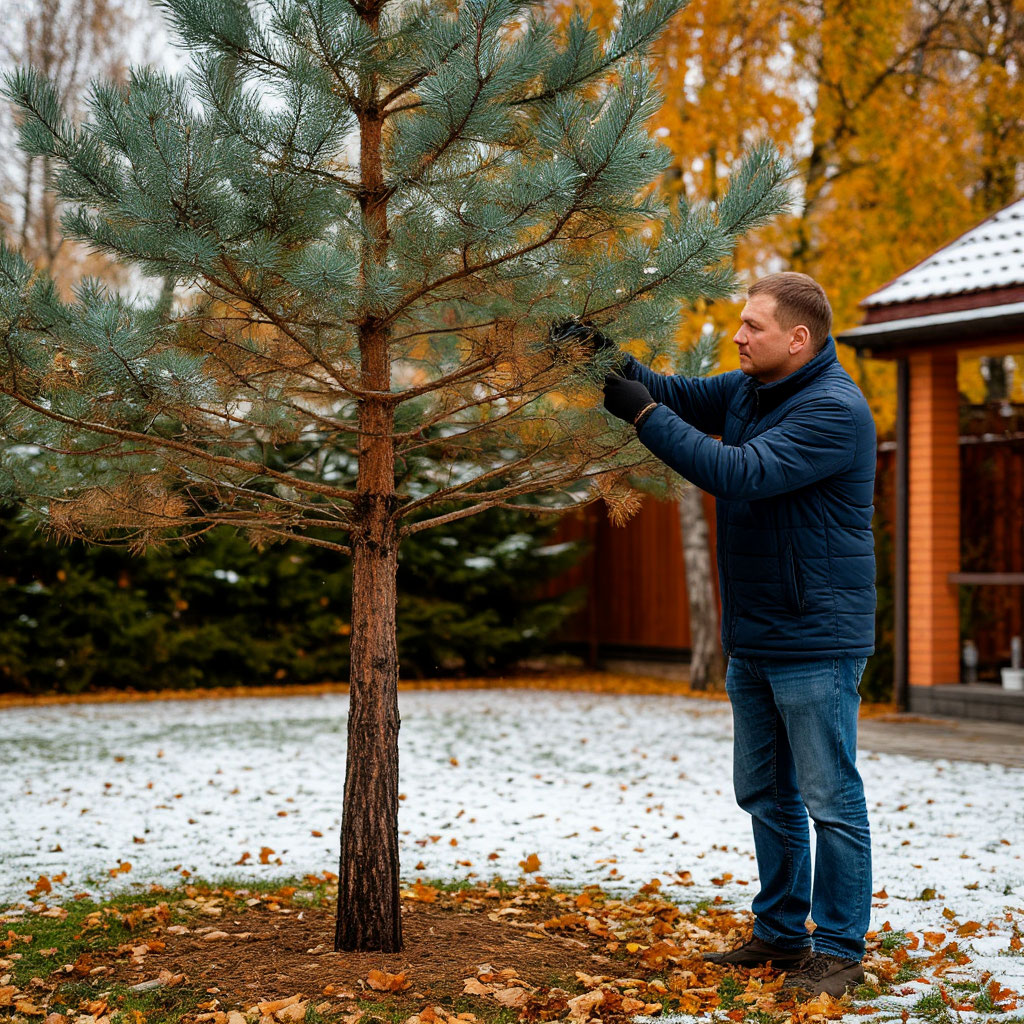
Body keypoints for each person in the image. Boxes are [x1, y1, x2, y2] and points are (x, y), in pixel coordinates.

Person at [570, 272, 876, 999]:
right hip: (759, 634)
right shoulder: (750, 388)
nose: (738, 336)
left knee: (829, 801)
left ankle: (837, 951)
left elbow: (735, 472)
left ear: (797, 339)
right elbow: (672, 392)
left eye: (753, 327)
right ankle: (777, 932)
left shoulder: (833, 409)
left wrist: (641, 415)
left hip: (815, 638)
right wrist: (603, 359)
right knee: (765, 795)